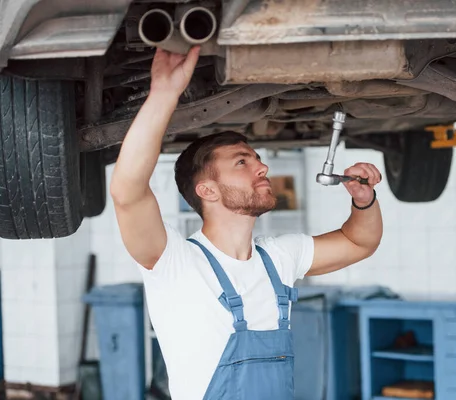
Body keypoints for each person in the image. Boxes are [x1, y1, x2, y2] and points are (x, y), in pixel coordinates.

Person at [110, 45, 383, 400]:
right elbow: (127, 192)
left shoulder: (278, 259)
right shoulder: (173, 262)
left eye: (257, 158)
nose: (262, 167)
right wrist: (164, 93)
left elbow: (359, 242)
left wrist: (364, 201)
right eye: (242, 162)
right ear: (207, 189)